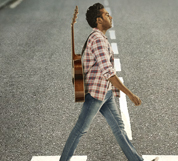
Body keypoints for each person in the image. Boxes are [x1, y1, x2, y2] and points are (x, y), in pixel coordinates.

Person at [60, 3, 159, 161]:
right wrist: (130, 95)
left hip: (104, 92)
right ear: (99, 20)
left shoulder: (99, 38)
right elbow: (109, 73)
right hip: (95, 94)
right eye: (106, 15)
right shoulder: (98, 40)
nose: (110, 16)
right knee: (80, 130)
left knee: (119, 129)